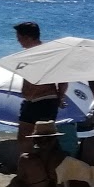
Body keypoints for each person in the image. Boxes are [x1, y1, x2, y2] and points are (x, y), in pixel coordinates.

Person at [13, 21, 67, 153]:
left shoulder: (48, 53)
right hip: (29, 101)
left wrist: (60, 97)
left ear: (28, 37)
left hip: (46, 100)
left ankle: (46, 167)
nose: (18, 41)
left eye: (19, 38)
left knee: (45, 139)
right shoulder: (26, 54)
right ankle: (28, 166)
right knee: (23, 137)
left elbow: (63, 78)